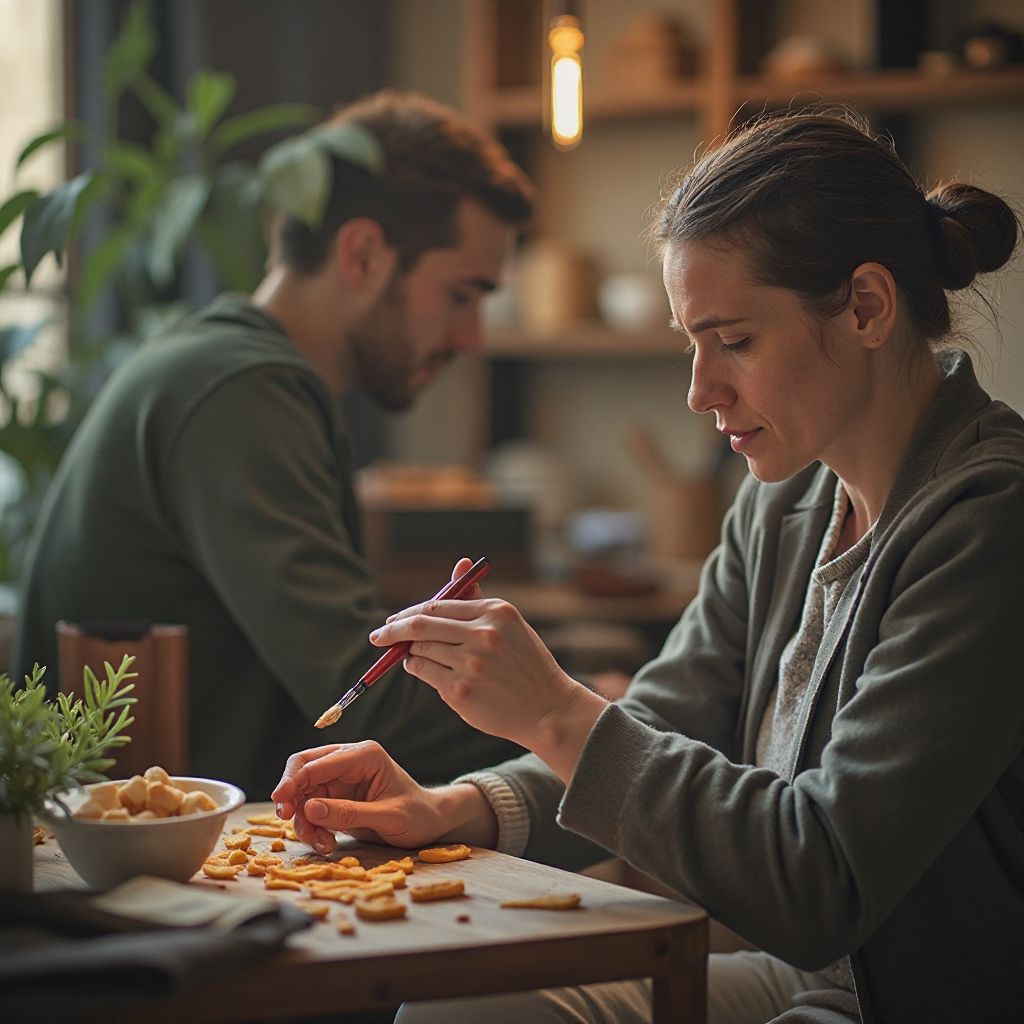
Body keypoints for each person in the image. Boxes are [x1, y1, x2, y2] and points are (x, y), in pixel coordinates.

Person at [272, 108, 1024, 1024]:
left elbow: (819, 881)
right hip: (810, 980)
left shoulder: (990, 520)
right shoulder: (783, 500)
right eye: (691, 342)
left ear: (867, 306)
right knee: (453, 1009)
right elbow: (673, 717)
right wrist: (460, 807)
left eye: (735, 340)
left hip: (916, 998)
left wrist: (553, 710)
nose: (700, 391)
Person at [13, 90, 534, 798]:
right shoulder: (241, 392)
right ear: (362, 255)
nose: (471, 337)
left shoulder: (225, 369)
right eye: (462, 295)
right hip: (159, 863)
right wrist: (584, 718)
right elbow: (363, 699)